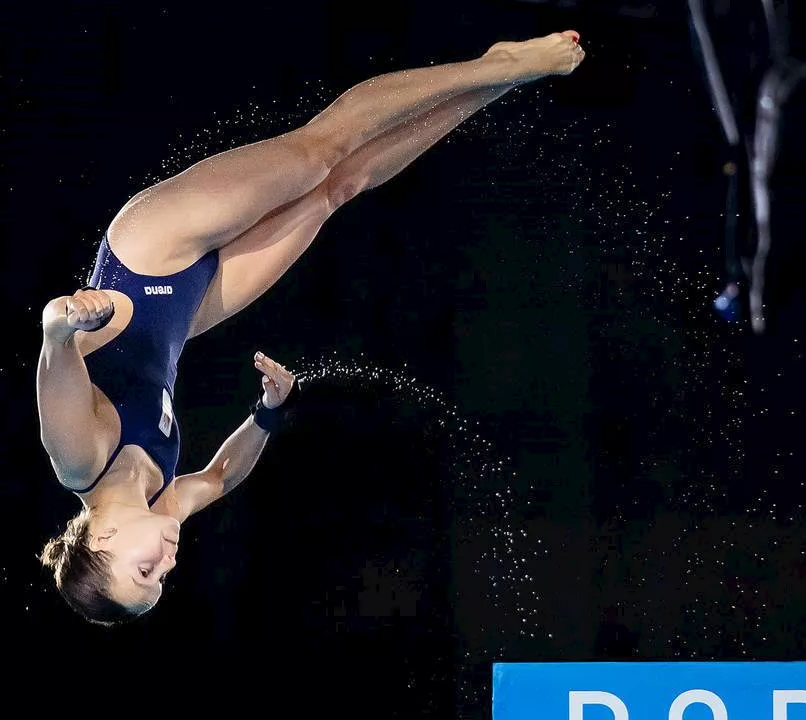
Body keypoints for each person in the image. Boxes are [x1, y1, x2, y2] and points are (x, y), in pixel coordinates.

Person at [36, 31, 587, 625]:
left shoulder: (79, 461)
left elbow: (52, 351)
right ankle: (495, 81)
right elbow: (219, 479)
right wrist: (268, 413)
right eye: (163, 581)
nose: (167, 564)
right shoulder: (157, 500)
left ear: (103, 544)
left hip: (145, 257)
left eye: (146, 572)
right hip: (185, 312)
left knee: (315, 153)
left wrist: (66, 320)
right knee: (336, 189)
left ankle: (494, 65)